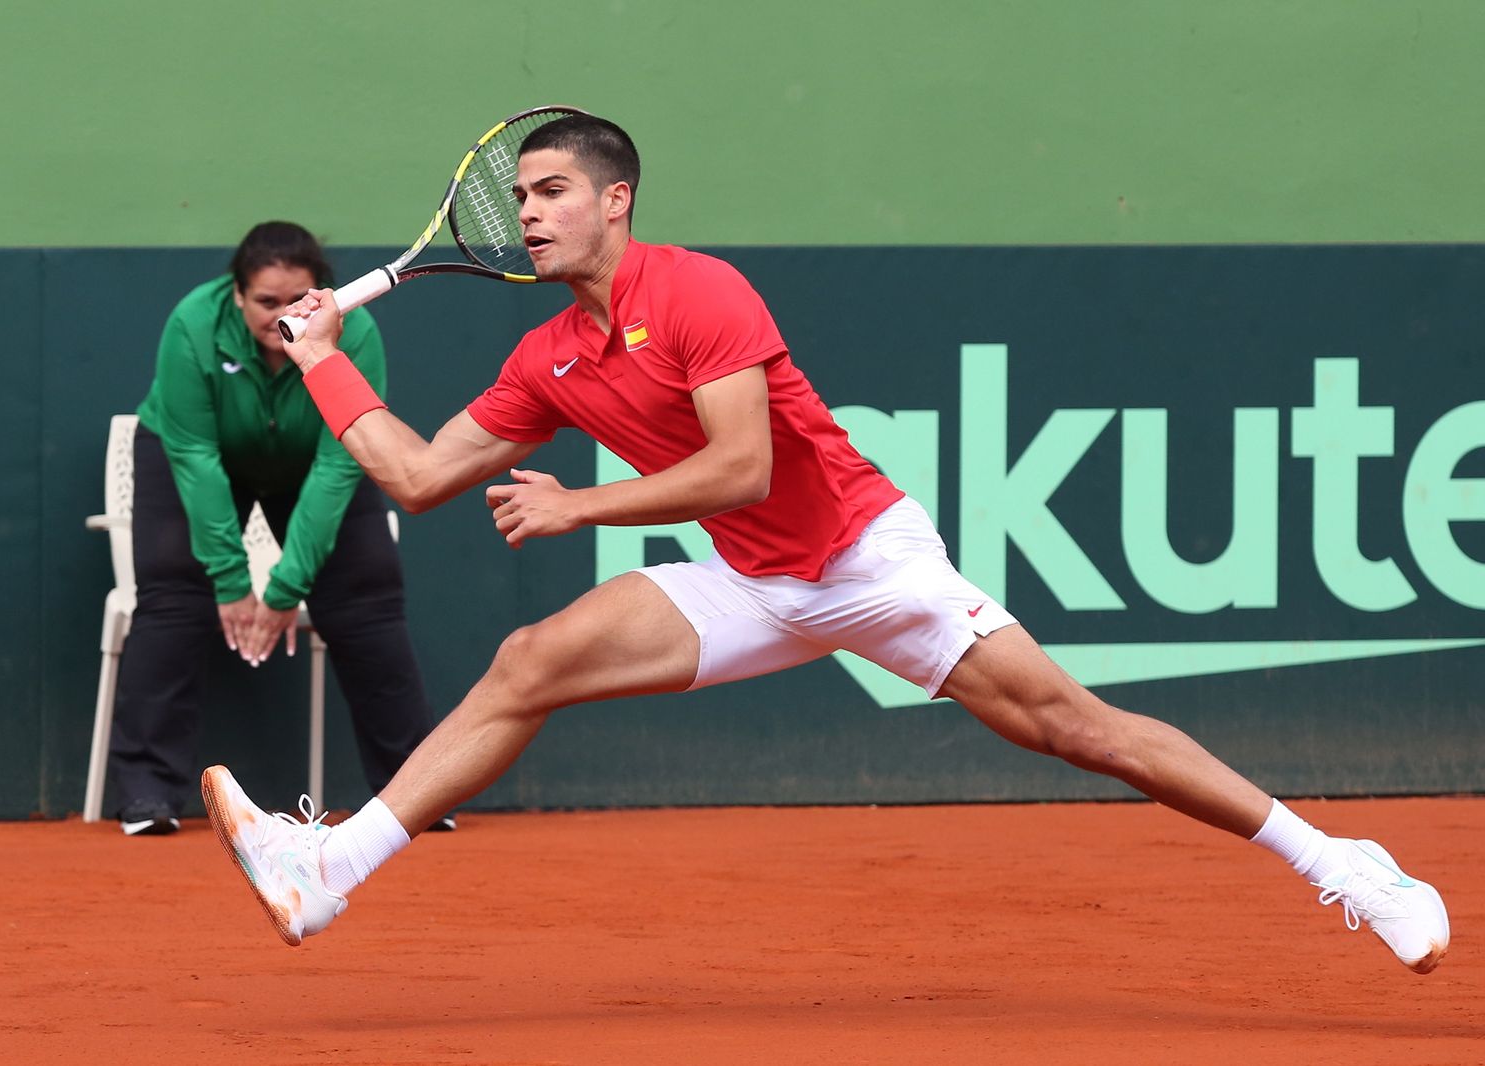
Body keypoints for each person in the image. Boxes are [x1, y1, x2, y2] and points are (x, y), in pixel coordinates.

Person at [200, 119, 1448, 973]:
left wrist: (580, 507)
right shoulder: (548, 356)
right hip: (753, 579)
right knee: (531, 658)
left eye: (549, 193)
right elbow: (414, 477)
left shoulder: (698, 292)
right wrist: (319, 360)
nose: (526, 214)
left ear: (615, 200)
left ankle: (1341, 861)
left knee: (1084, 730)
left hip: (867, 562)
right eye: (519, 198)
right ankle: (333, 868)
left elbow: (741, 465)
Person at [111, 221, 454, 836]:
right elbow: (194, 456)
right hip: (198, 453)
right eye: (265, 302)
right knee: (172, 597)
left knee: (368, 598)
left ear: (321, 292)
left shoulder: (357, 333)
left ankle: (414, 794)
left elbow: (335, 465)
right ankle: (147, 796)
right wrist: (229, 579)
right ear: (236, 295)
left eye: (295, 301)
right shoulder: (194, 323)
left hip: (314, 459)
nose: (281, 316)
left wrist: (283, 588)